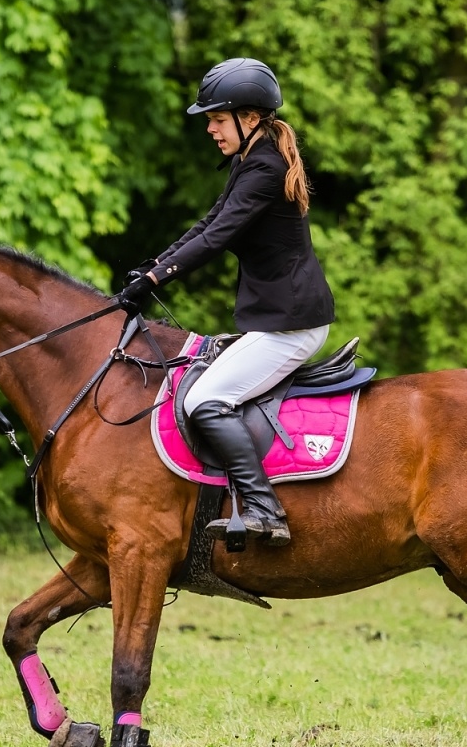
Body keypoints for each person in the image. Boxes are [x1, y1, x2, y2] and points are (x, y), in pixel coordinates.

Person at [118, 58, 334, 548]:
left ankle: (264, 509)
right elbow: (206, 224)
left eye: (217, 118)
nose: (211, 128)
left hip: (290, 325)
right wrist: (151, 268)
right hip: (275, 319)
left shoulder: (265, 166)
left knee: (203, 401)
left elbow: (217, 238)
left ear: (250, 119)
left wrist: (157, 278)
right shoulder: (250, 160)